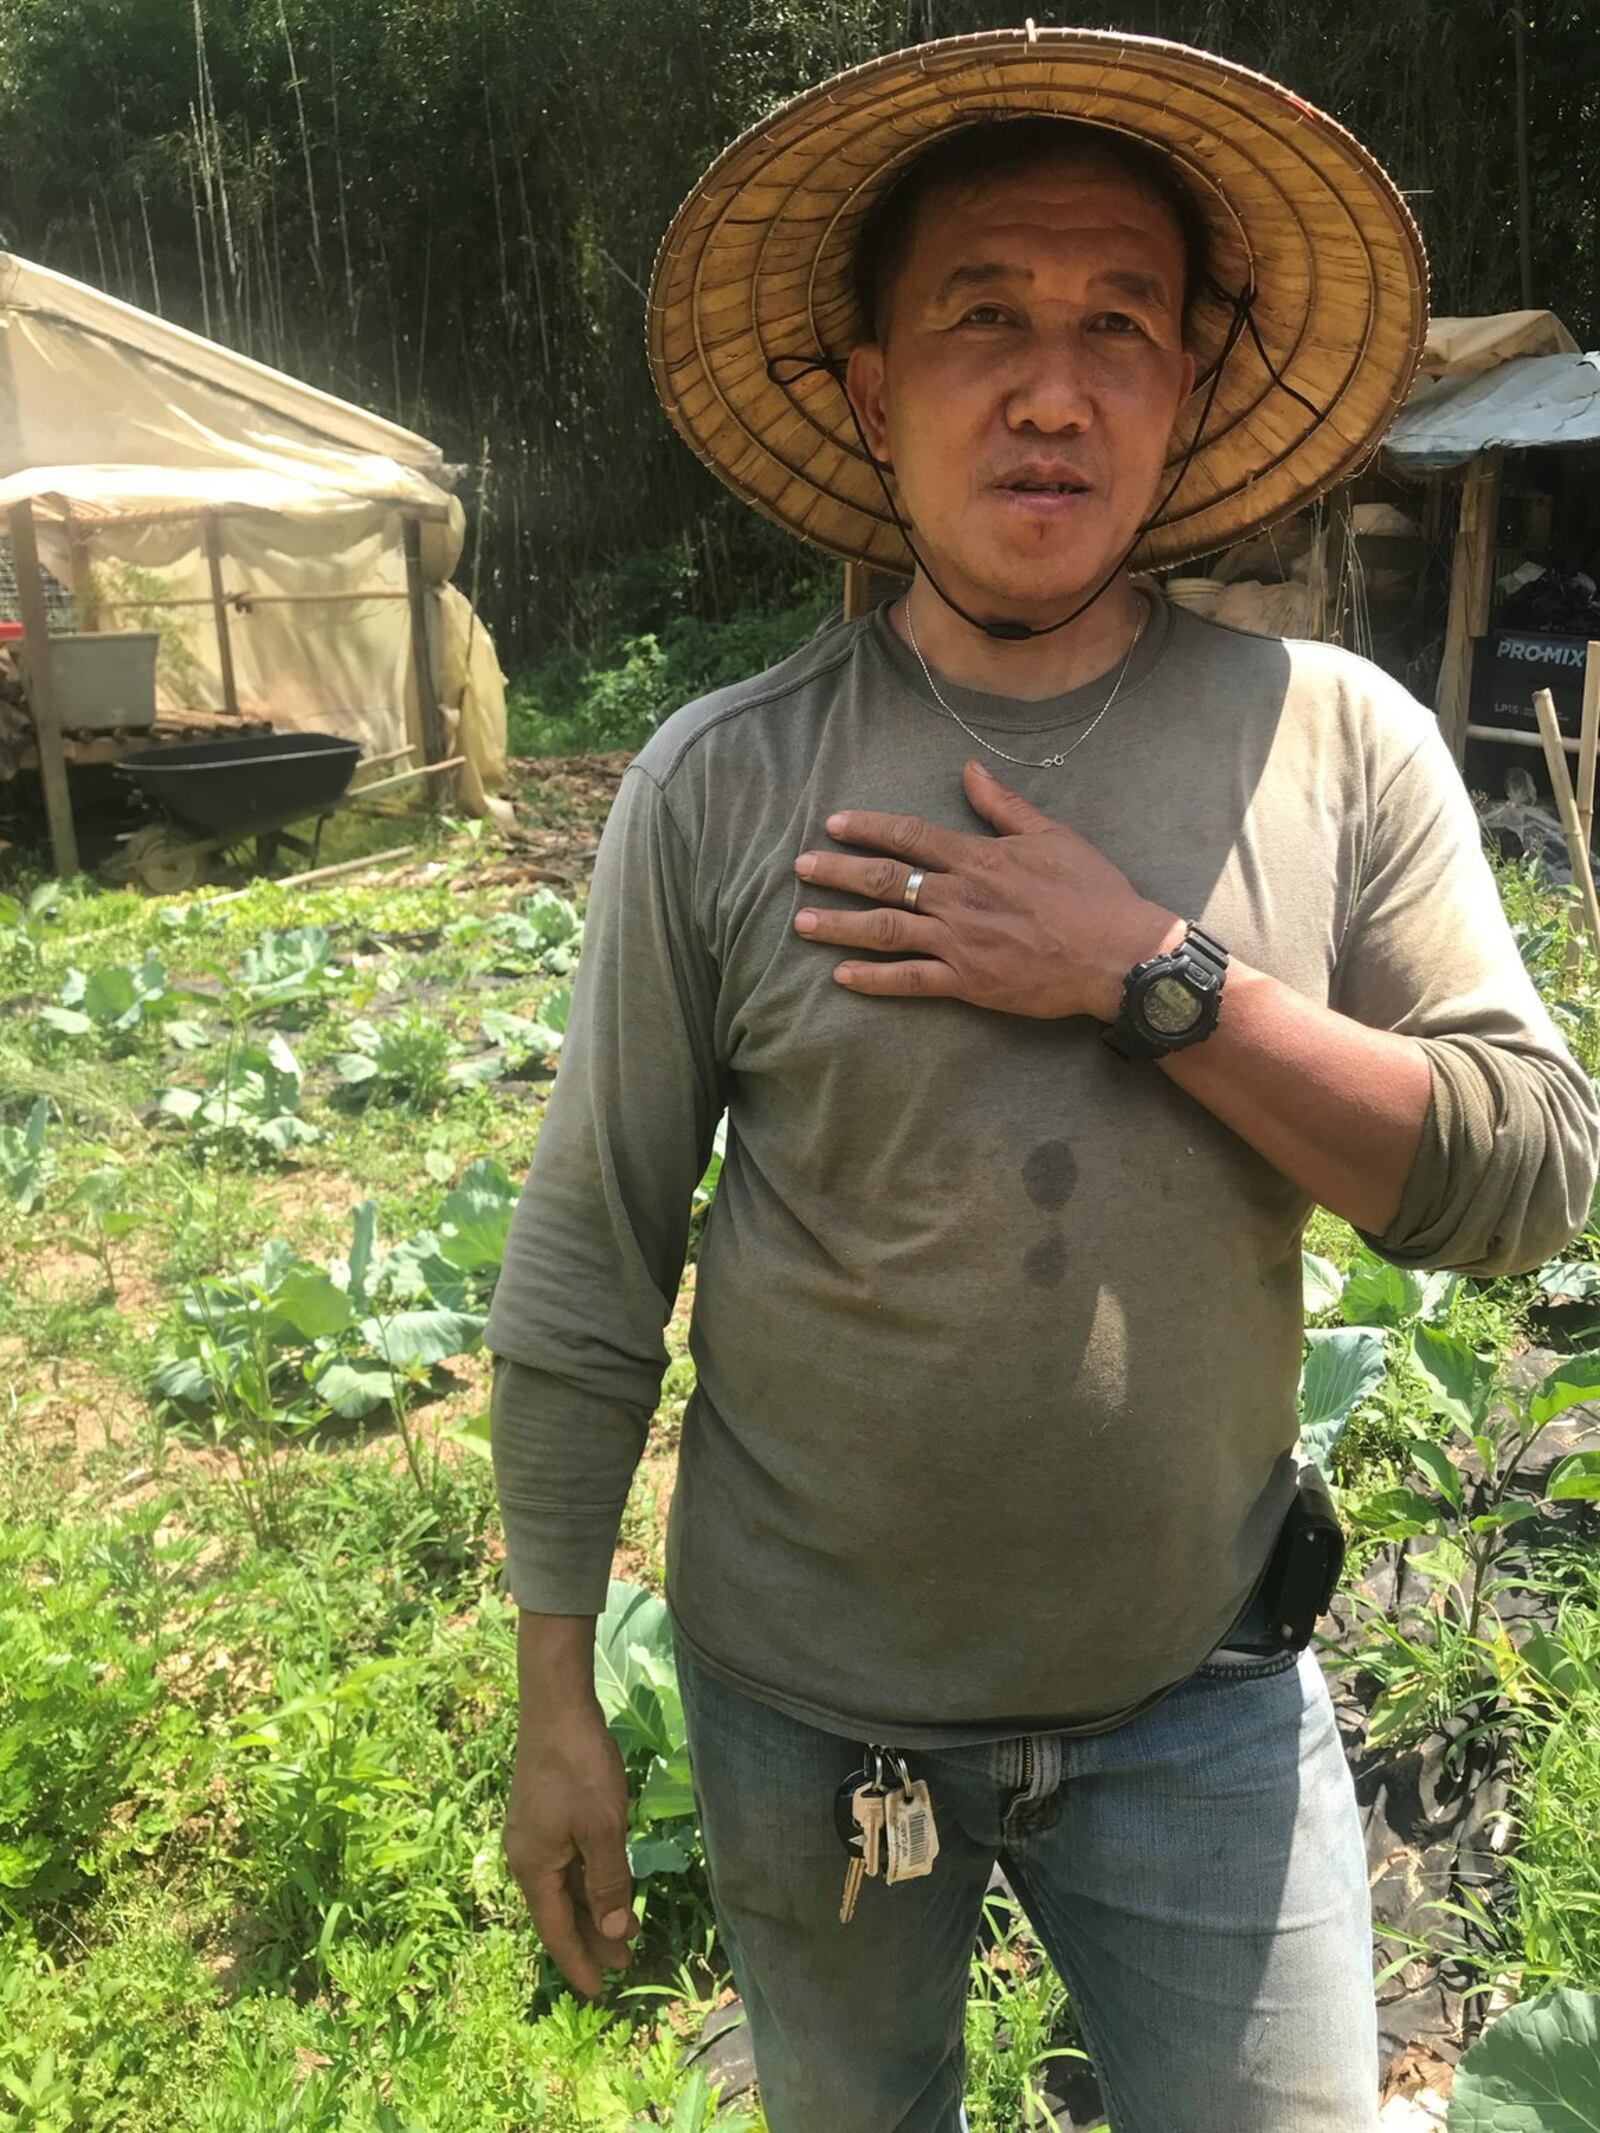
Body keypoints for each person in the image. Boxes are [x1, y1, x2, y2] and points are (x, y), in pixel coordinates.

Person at [487, 26, 1600, 2133]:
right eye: (976, 319)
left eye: (1117, 325)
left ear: (1190, 388)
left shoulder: (1331, 738)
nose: (1050, 383)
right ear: (863, 387)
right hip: (799, 1707)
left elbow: (1527, 1173)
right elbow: (586, 1259)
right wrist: (557, 1680)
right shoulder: (723, 782)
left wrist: (1145, 973)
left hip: (1200, 1688)